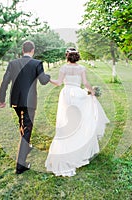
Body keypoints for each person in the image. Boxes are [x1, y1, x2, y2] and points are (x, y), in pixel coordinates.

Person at [45, 47, 109, 177]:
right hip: (78, 94)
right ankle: (79, 145)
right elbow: (85, 83)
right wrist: (92, 91)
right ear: (77, 57)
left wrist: (48, 79)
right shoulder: (81, 69)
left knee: (67, 120)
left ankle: (67, 144)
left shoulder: (63, 68)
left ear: (67, 57)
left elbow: (58, 83)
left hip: (67, 94)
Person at [0, 40, 50, 174]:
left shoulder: (13, 63)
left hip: (15, 101)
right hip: (30, 102)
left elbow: (5, 82)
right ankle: (20, 165)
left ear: (23, 50)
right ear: (32, 50)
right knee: (26, 129)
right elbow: (44, 81)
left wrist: (1, 99)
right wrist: (48, 76)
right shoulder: (37, 63)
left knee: (23, 124)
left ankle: (26, 147)